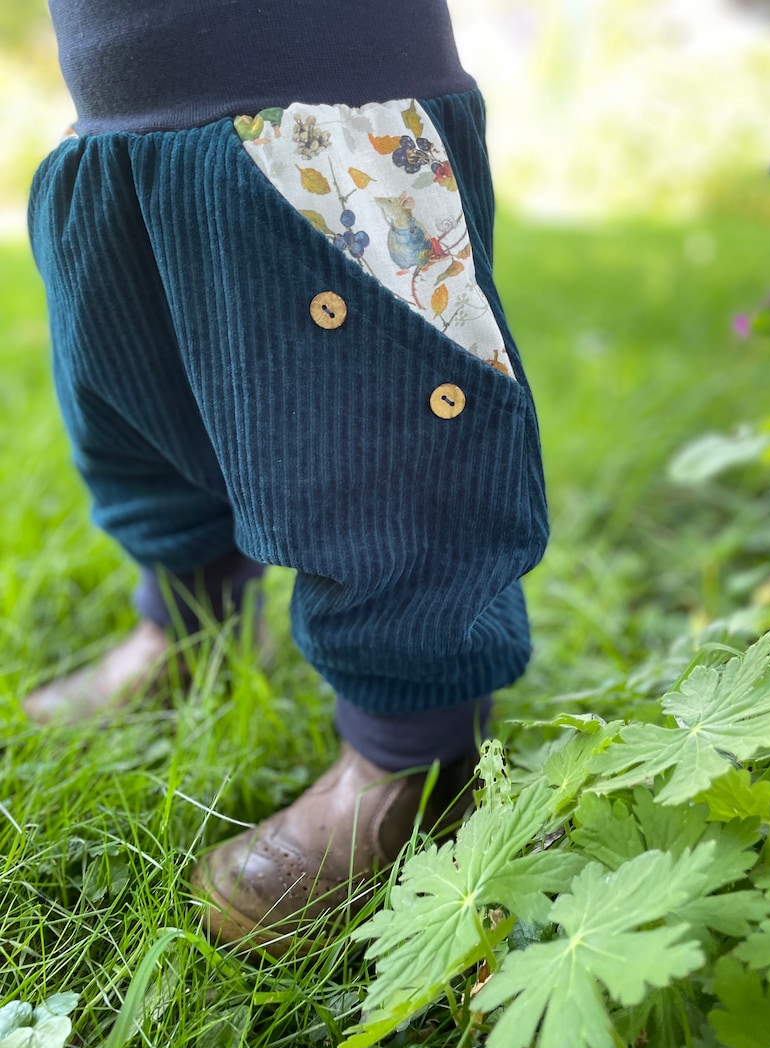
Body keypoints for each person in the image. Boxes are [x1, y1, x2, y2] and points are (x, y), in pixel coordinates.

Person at [25, 0, 548, 953]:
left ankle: (412, 745)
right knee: (138, 395)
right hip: (118, 110)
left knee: (370, 439)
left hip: (324, 113)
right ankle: (189, 619)